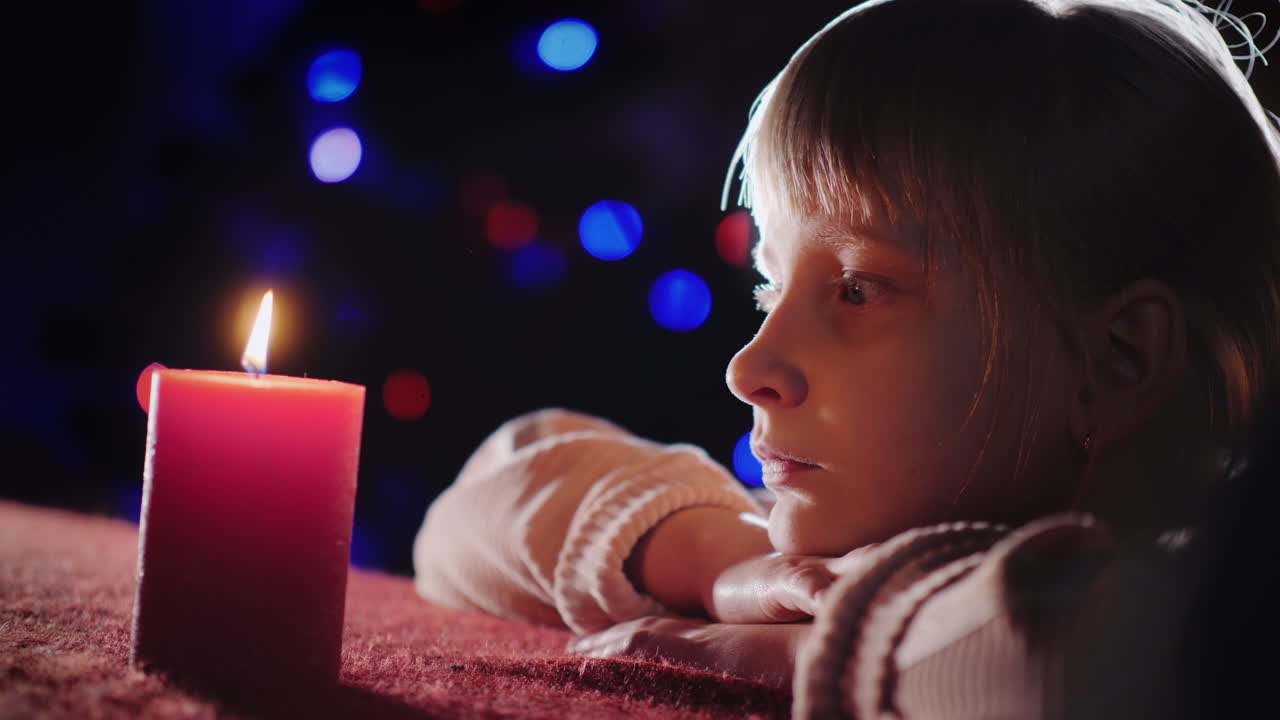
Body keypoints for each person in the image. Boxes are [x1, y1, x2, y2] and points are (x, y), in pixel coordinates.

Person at [414, 0, 1280, 716]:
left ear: (1117, 360)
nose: (748, 366)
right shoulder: (849, 545)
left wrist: (841, 638)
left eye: (858, 290)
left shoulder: (1221, 616)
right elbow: (480, 506)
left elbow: (1069, 664)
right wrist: (726, 564)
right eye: (768, 289)